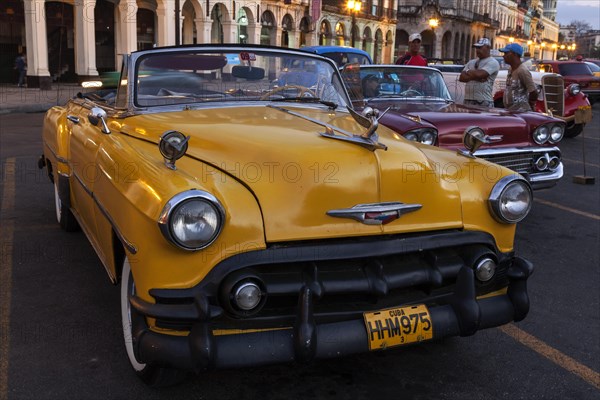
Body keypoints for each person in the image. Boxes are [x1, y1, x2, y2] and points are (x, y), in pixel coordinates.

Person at [459, 38, 499, 107]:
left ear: (488, 48)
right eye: (476, 48)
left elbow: (481, 74)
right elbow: (462, 77)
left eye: (480, 47)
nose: (477, 50)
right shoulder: (471, 62)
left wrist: (468, 72)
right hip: (468, 99)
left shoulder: (492, 62)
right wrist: (476, 77)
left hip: (483, 101)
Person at [500, 43, 537, 112]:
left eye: (506, 53)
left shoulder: (522, 71)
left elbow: (533, 92)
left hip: (520, 112)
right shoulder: (511, 69)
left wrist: (529, 104)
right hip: (511, 111)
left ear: (515, 54)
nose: (504, 56)